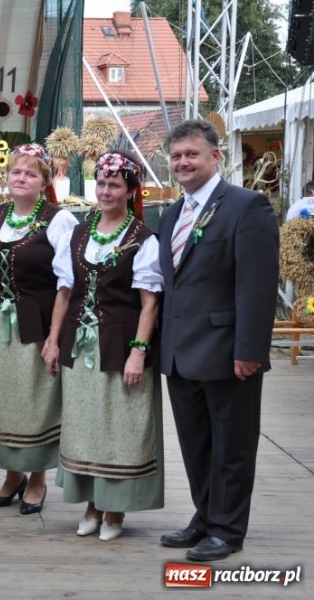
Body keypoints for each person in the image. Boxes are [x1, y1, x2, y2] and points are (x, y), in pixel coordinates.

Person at [156, 119, 279, 561]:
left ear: (214, 156)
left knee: (232, 445)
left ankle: (227, 530)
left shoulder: (247, 207)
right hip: (180, 352)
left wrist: (250, 350)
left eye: (191, 154)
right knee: (196, 444)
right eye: (176, 156)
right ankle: (205, 516)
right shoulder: (171, 213)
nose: (183, 162)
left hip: (228, 352)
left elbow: (257, 285)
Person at [42, 151, 164, 542]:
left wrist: (138, 351)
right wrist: (52, 341)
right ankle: (91, 505)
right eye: (101, 183)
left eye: (115, 184)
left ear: (131, 190)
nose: (106, 190)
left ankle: (115, 509)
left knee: (119, 427)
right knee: (84, 425)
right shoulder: (78, 233)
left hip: (121, 344)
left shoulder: (143, 239)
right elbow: (64, 293)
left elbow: (150, 303)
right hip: (79, 344)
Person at [0, 144, 78, 515]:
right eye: (16, 172)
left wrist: (55, 337)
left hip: (39, 324)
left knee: (37, 400)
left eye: (30, 173)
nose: (21, 178)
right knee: (4, 399)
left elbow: (67, 284)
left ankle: (39, 479)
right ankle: (14, 475)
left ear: (44, 181)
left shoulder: (59, 221)